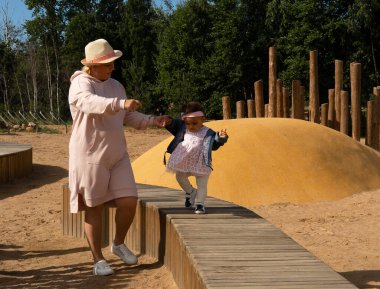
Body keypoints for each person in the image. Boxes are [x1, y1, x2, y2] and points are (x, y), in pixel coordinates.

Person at [68, 39, 169, 276]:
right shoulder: (80, 84)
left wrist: (152, 120)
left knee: (129, 200)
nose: (112, 67)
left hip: (117, 155)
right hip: (89, 155)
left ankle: (118, 243)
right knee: (94, 208)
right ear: (91, 66)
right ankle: (98, 259)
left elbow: (125, 116)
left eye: (113, 63)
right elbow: (90, 103)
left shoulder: (116, 86)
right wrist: (120, 103)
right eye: (107, 64)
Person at [164, 101, 228, 214]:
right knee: (180, 177)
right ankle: (191, 191)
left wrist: (221, 138)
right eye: (188, 123)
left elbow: (215, 145)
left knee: (202, 184)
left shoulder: (209, 133)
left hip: (201, 162)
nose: (191, 126)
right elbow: (173, 123)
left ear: (203, 119)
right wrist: (169, 121)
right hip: (184, 161)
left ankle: (200, 204)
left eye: (194, 123)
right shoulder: (183, 127)